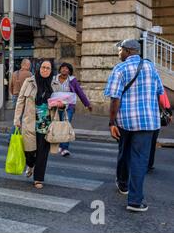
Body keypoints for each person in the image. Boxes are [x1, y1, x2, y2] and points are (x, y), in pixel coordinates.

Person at [104, 39, 164, 212]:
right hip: (148, 122)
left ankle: (123, 184)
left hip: (125, 121)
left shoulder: (120, 69)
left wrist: (111, 122)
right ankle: (135, 201)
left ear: (128, 51)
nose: (119, 53)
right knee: (139, 159)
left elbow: (115, 98)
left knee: (124, 151)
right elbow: (160, 92)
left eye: (120, 50)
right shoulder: (151, 67)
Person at [13, 60, 62, 189]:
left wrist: (62, 105)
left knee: (42, 152)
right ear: (39, 68)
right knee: (29, 151)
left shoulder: (56, 85)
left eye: (48, 68)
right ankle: (30, 164)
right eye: (43, 67)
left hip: (47, 124)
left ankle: (38, 179)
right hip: (30, 122)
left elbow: (62, 104)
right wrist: (17, 119)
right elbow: (20, 101)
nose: (45, 70)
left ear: (52, 71)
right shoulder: (29, 82)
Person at [55, 62, 92, 156]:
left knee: (66, 126)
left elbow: (80, 92)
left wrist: (87, 104)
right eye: (63, 68)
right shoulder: (54, 79)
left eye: (67, 68)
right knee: (59, 126)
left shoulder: (72, 80)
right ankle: (59, 144)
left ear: (69, 71)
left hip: (68, 107)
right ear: (60, 70)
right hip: (56, 107)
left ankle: (65, 148)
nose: (64, 70)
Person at [148, 90, 172, 173]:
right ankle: (149, 164)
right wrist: (169, 113)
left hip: (141, 118)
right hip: (154, 118)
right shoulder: (156, 82)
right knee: (152, 142)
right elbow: (163, 100)